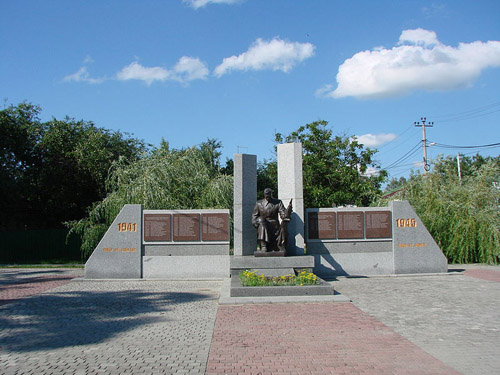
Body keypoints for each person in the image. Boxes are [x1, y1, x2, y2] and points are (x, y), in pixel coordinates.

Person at [252, 188, 291, 252]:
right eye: (266, 194)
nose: (267, 196)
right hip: (263, 225)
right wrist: (256, 224)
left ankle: (279, 246)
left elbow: (282, 214)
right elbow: (254, 216)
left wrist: (287, 213)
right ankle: (263, 245)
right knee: (261, 220)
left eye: (268, 194)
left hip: (274, 225)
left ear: (271, 194)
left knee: (283, 226)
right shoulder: (259, 203)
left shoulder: (278, 202)